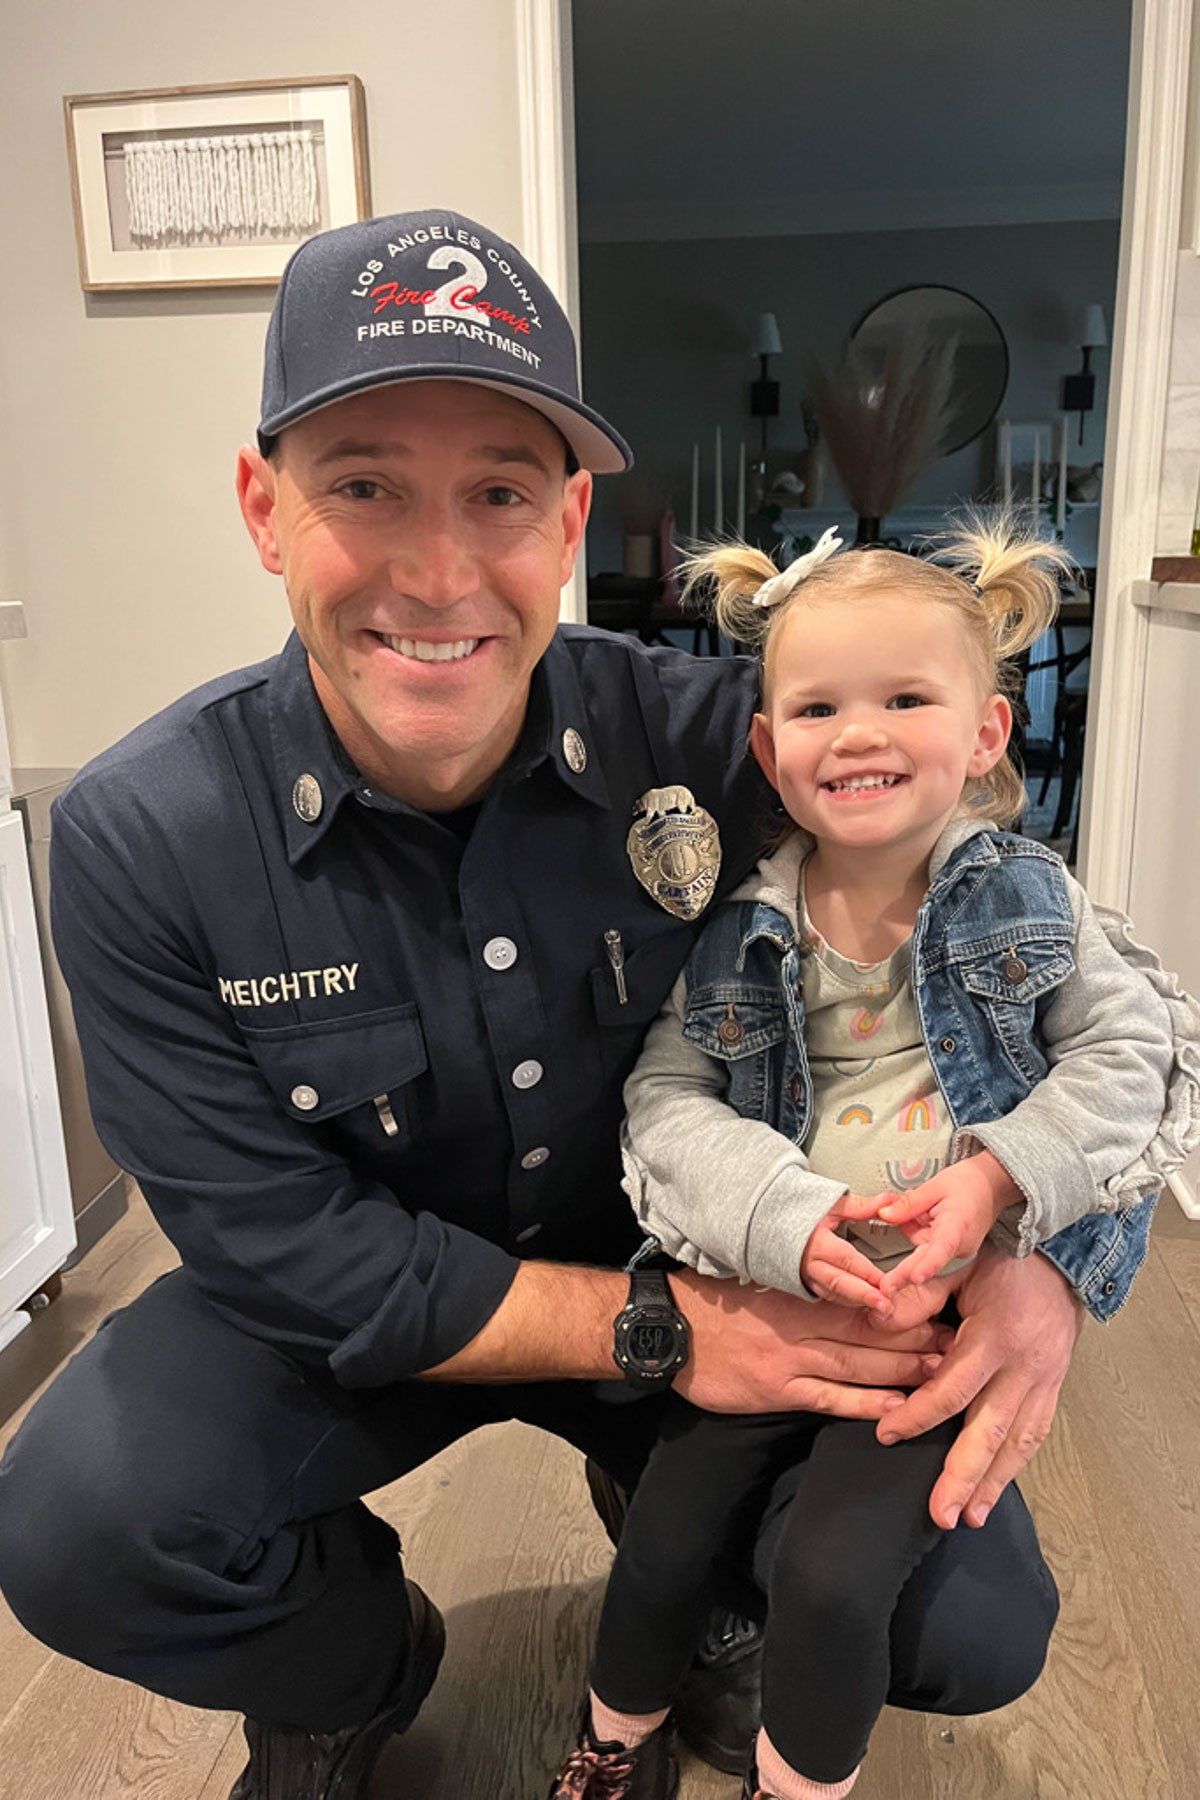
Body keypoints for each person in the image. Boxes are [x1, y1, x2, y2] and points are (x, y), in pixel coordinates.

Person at [0, 209, 1166, 1800]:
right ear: (264, 509)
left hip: (722, 1264)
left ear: (570, 521)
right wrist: (648, 1332)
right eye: (363, 487)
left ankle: (699, 1585)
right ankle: (350, 1670)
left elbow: (1079, 986)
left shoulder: (740, 743)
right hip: (393, 1318)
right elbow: (269, 1236)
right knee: (80, 1522)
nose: (438, 567)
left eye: (499, 491)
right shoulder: (149, 837)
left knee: (969, 1619)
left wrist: (1037, 1253)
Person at [545, 522, 1200, 1800]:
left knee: (837, 1576)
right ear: (768, 750)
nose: (859, 732)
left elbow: (1137, 1062)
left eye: (906, 698)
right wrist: (780, 1219)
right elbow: (667, 1097)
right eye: (817, 706)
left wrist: (1006, 1177)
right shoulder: (737, 928)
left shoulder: (1032, 901)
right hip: (776, 1283)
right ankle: (611, 1755)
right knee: (664, 1543)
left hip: (932, 1320)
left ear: (987, 734)